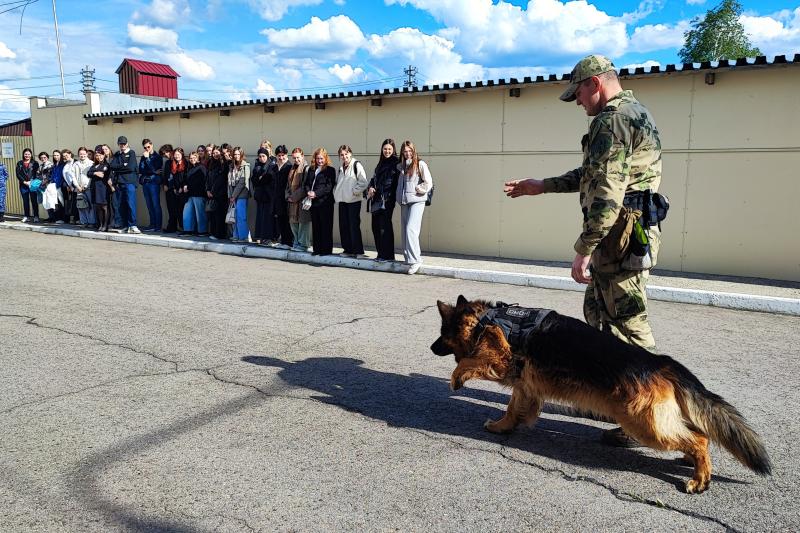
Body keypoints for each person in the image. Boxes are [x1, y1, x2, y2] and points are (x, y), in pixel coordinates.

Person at [503, 54, 664, 448]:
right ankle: (619, 403)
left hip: (618, 242)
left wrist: (584, 248)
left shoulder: (613, 118)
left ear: (594, 83)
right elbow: (592, 174)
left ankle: (654, 412)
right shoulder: (628, 115)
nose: (577, 102)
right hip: (618, 240)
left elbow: (608, 190)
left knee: (631, 328)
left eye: (577, 93)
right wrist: (542, 184)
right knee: (601, 320)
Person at [396, 140, 432, 274]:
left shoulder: (420, 164)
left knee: (411, 229)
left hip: (417, 200)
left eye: (410, 150)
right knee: (405, 230)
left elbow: (429, 182)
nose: (408, 153)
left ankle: (416, 260)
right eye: (405, 151)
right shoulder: (401, 166)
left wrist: (419, 188)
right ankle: (408, 259)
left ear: (414, 151)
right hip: (404, 201)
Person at [367, 139, 400, 262]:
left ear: (393, 150)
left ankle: (388, 255)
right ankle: (380, 253)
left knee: (384, 227)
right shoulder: (380, 163)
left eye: (389, 149)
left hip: (387, 199)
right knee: (375, 226)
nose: (387, 151)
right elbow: (374, 178)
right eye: (385, 149)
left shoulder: (396, 162)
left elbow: (392, 182)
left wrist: (380, 190)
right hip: (377, 199)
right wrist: (370, 187)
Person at [334, 144, 368, 257]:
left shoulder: (356, 165)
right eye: (342, 155)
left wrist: (354, 192)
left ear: (350, 154)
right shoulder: (341, 167)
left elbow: (363, 182)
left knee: (354, 226)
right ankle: (348, 250)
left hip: (353, 201)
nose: (344, 157)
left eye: (346, 154)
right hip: (342, 201)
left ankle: (358, 251)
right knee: (344, 226)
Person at [305, 147, 336, 256]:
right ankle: (317, 249)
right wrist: (309, 191)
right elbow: (307, 183)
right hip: (314, 203)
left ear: (326, 158)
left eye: (322, 158)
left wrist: (316, 193)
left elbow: (328, 187)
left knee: (326, 226)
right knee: (316, 226)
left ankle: (326, 250)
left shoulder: (330, 170)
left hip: (325, 203)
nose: (320, 161)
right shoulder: (311, 169)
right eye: (318, 158)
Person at [108, 136, 140, 234]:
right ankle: (125, 225)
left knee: (131, 204)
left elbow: (130, 167)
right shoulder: (118, 154)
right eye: (120, 144)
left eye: (124, 144)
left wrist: (119, 167)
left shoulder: (131, 153)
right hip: (119, 183)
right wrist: (123, 166)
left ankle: (132, 225)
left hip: (129, 182)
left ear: (127, 144)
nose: (122, 146)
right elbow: (112, 166)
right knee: (121, 205)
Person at [286, 147, 311, 252]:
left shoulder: (306, 168)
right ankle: (296, 242)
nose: (296, 160)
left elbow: (305, 186)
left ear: (302, 156)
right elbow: (288, 185)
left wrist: (293, 197)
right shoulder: (292, 169)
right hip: (292, 201)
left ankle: (303, 244)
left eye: (298, 157)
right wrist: (288, 196)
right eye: (294, 158)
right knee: (293, 223)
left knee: (303, 223)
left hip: (301, 200)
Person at [251, 147, 276, 244]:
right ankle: (260, 236)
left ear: (267, 156)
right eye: (260, 156)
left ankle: (268, 237)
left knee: (268, 218)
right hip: (259, 196)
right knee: (260, 217)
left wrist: (261, 178)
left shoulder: (271, 165)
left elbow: (268, 178)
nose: (262, 158)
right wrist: (260, 179)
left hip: (268, 196)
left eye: (264, 156)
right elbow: (254, 180)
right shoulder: (257, 166)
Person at [139, 138, 163, 232]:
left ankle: (158, 226)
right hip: (146, 182)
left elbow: (157, 169)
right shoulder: (143, 156)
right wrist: (153, 171)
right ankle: (152, 224)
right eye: (145, 147)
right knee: (149, 205)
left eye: (148, 146)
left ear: (152, 145)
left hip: (153, 183)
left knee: (156, 204)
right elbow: (141, 170)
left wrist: (148, 159)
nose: (147, 149)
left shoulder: (157, 157)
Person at [181, 151, 208, 236]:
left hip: (199, 194)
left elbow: (201, 181)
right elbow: (185, 179)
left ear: (198, 158)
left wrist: (188, 187)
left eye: (194, 158)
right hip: (189, 195)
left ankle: (202, 231)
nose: (192, 159)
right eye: (191, 158)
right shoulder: (189, 168)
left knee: (200, 214)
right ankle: (188, 230)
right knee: (187, 213)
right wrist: (185, 185)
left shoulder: (202, 167)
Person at [227, 146, 251, 242]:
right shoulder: (231, 166)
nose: (236, 156)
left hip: (241, 194)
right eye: (235, 154)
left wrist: (233, 196)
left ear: (241, 155)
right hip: (233, 194)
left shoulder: (246, 166)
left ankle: (243, 237)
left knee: (241, 216)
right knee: (234, 216)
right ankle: (235, 235)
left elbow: (242, 183)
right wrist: (230, 195)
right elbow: (229, 182)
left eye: (238, 154)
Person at [206, 146, 229, 240]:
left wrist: (213, 191)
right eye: (214, 153)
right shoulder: (211, 164)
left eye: (217, 152)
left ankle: (220, 234)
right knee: (213, 215)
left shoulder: (223, 164)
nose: (215, 154)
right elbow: (208, 178)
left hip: (220, 194)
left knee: (220, 215)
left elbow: (221, 180)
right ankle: (214, 233)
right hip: (211, 193)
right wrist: (207, 189)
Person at [88, 145, 113, 231]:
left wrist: (95, 173)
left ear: (104, 155)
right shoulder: (94, 165)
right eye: (97, 155)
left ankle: (106, 225)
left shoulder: (106, 165)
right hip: (95, 189)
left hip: (103, 189)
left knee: (105, 207)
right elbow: (88, 173)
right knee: (98, 207)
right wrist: (95, 173)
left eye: (101, 155)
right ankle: (101, 224)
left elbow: (103, 174)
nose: (99, 157)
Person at [272, 145, 293, 249]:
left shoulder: (289, 166)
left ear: (286, 155)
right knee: (280, 219)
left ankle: (288, 242)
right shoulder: (275, 167)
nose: (281, 157)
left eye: (283, 155)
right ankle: (283, 240)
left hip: (285, 197)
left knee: (286, 220)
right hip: (277, 197)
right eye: (279, 155)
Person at [15, 148, 40, 223]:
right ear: (23, 154)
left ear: (31, 154)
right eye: (25, 154)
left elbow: (37, 174)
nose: (27, 155)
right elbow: (18, 174)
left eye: (28, 154)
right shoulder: (19, 163)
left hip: (32, 185)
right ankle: (26, 216)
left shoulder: (35, 163)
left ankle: (36, 216)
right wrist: (24, 182)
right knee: (25, 201)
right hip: (23, 185)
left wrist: (32, 182)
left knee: (34, 200)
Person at [159, 144, 178, 232]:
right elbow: (165, 175)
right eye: (164, 154)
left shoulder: (177, 160)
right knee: (170, 209)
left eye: (166, 153)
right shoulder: (167, 163)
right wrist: (165, 184)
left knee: (176, 209)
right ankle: (171, 227)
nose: (166, 155)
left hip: (176, 189)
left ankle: (177, 226)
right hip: (168, 189)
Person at [73, 147, 95, 226]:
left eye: (84, 154)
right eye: (80, 154)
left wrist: (86, 186)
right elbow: (73, 177)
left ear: (86, 154)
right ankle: (84, 222)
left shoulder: (91, 163)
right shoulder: (76, 164)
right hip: (78, 188)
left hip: (88, 188)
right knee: (81, 205)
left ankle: (92, 222)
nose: (82, 155)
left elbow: (91, 177)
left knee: (90, 205)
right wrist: (77, 186)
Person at [168, 147, 188, 233]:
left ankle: (185, 227)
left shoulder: (186, 164)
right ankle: (180, 227)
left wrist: (182, 187)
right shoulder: (173, 164)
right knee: (177, 210)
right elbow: (171, 177)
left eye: (178, 154)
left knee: (184, 210)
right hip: (175, 191)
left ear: (182, 155)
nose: (177, 156)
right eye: (175, 155)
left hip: (183, 191)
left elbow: (186, 177)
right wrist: (174, 188)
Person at [37, 151, 56, 222]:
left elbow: (51, 176)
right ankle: (50, 216)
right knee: (46, 201)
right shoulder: (40, 166)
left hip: (50, 186)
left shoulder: (51, 165)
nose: (43, 159)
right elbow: (38, 175)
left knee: (52, 201)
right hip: (43, 186)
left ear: (47, 157)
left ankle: (54, 217)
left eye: (44, 157)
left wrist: (45, 181)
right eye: (41, 158)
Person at [60, 149, 77, 224]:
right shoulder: (65, 164)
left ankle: (77, 219)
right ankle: (71, 218)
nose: (65, 157)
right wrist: (67, 185)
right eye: (64, 156)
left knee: (77, 203)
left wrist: (73, 185)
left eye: (66, 155)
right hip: (68, 187)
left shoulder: (76, 162)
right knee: (70, 203)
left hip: (76, 186)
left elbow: (77, 175)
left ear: (70, 154)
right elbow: (64, 176)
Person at [50, 150, 65, 224]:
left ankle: (63, 218)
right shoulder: (55, 165)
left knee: (61, 202)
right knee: (56, 203)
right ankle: (58, 218)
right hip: (54, 187)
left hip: (60, 186)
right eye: (54, 155)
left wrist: (58, 185)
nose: (56, 157)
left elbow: (62, 176)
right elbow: (53, 176)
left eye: (57, 155)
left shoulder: (63, 165)